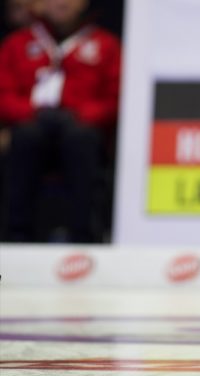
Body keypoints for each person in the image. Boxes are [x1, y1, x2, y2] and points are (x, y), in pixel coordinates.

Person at [0, 0, 121, 242]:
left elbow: (117, 97)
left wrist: (81, 116)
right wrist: (31, 112)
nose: (61, 2)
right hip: (32, 125)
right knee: (25, 139)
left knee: (81, 140)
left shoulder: (106, 45)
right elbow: (3, 93)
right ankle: (16, 237)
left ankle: (86, 237)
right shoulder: (17, 43)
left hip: (81, 130)